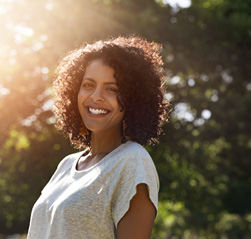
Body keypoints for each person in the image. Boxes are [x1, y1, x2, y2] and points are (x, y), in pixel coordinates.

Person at [27, 36, 169, 239]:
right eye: (88, 85)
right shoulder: (66, 165)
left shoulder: (133, 161)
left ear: (132, 99)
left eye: (111, 89)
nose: (96, 96)